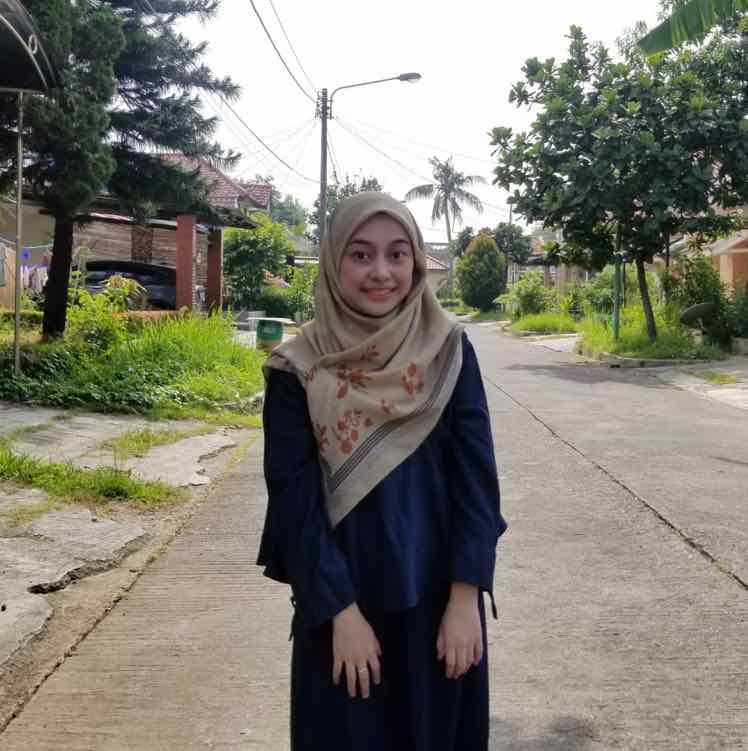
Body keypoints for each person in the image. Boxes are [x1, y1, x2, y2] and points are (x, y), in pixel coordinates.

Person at [257, 192, 507, 750]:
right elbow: (295, 504)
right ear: (334, 262)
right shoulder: (297, 370)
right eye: (360, 254)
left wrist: (466, 598)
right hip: (342, 608)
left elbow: (476, 482)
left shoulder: (449, 352)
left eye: (397, 254)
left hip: (439, 605)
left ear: (415, 262)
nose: (381, 272)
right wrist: (340, 613)